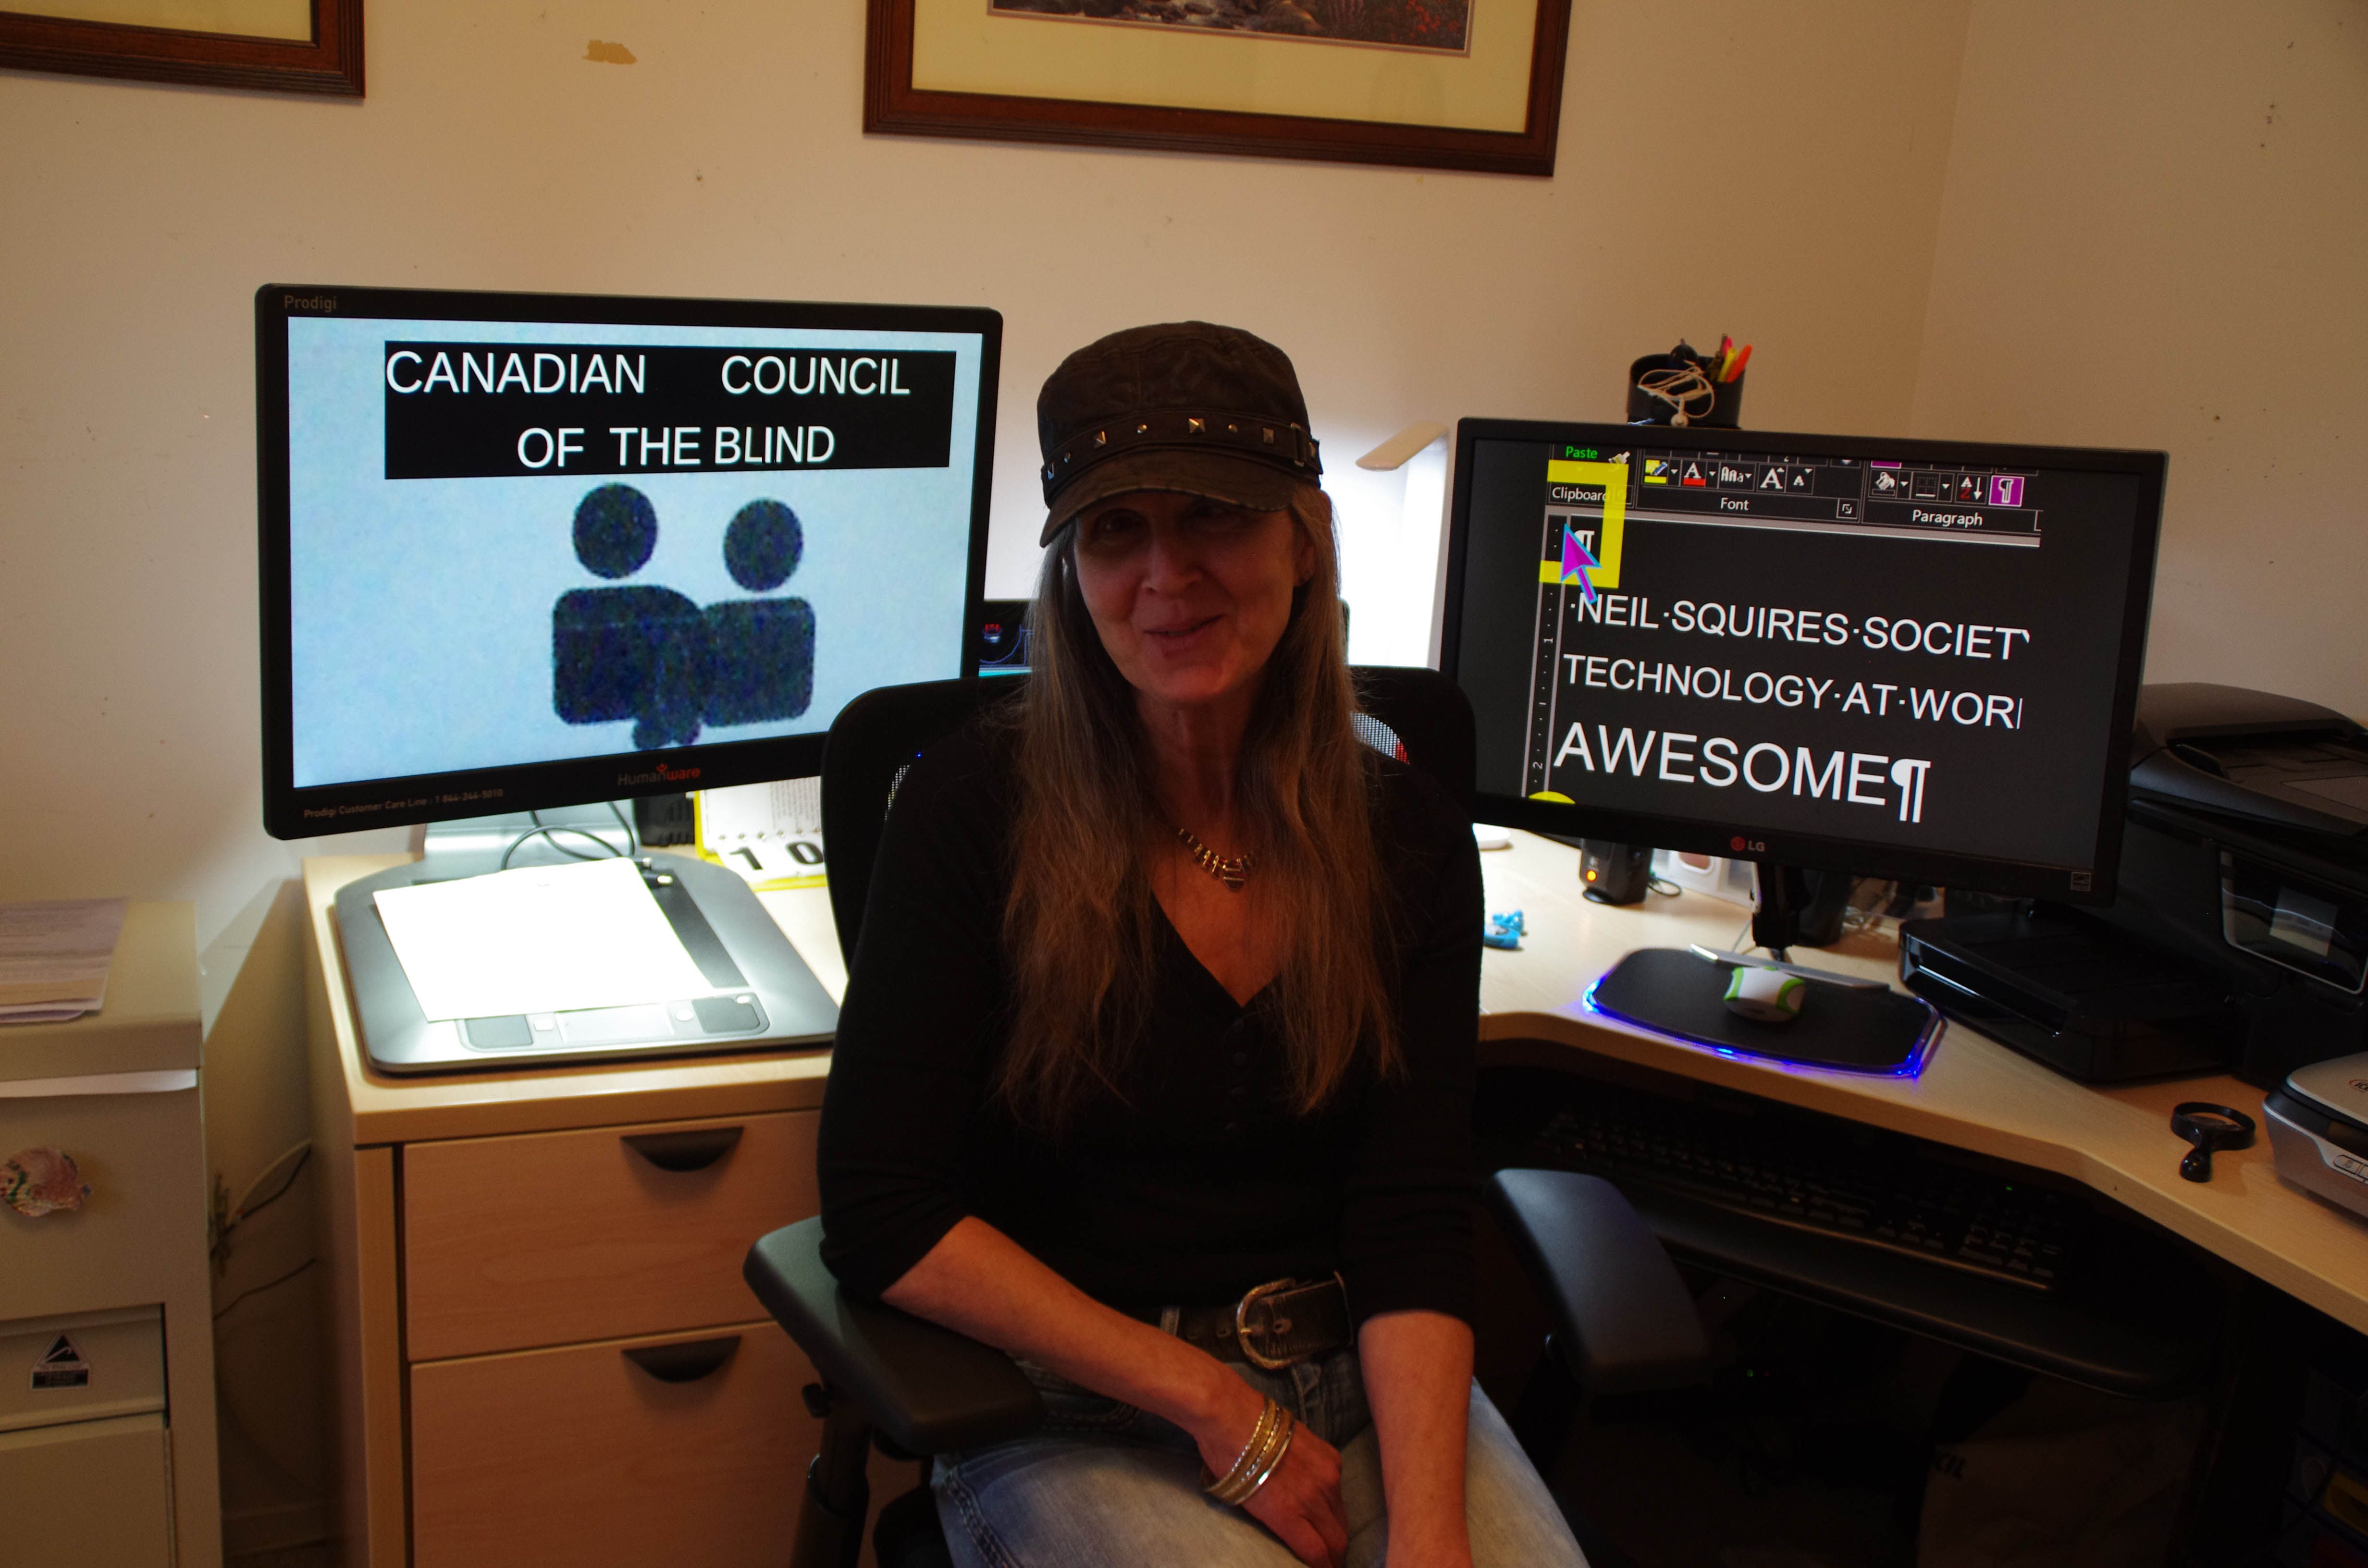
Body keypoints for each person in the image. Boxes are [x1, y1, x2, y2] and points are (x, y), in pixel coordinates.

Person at [817, 322, 1586, 1568]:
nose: (1168, 575)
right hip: (1075, 1410)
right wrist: (1215, 1403)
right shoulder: (971, 809)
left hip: (1364, 1391)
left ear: (1303, 535)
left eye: (1216, 517)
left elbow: (1415, 1212)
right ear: (1071, 571)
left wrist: (1434, 1533)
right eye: (1119, 532)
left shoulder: (1406, 837)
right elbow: (881, 1210)